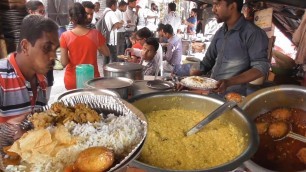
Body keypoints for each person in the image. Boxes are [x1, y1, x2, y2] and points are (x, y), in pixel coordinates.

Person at [177, 0, 270, 96]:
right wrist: (187, 81)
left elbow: (261, 67)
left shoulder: (252, 33)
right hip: (213, 94)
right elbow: (206, 63)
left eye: (217, 4)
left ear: (232, 6)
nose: (213, 9)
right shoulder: (220, 32)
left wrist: (229, 82)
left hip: (234, 99)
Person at [0, 15, 59, 151]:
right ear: (25, 46)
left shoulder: (42, 81)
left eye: (55, 50)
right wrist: (12, 131)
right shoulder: (2, 77)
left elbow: (35, 124)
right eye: (46, 48)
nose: (54, 57)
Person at [60, 3, 110, 90]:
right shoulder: (95, 34)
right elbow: (107, 53)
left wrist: (71, 54)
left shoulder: (65, 36)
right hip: (92, 79)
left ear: (70, 19)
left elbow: (63, 63)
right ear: (84, 16)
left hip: (73, 80)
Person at [26, 0, 54, 102]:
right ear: (31, 12)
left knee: (45, 102)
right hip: (33, 75)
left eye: (44, 12)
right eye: (41, 12)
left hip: (47, 72)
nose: (43, 15)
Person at [97, 0, 124, 65]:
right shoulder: (111, 13)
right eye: (116, 5)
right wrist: (122, 23)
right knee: (113, 59)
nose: (117, 7)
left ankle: (105, 72)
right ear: (113, 5)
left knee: (106, 58)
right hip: (110, 40)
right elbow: (118, 25)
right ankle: (112, 74)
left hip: (105, 37)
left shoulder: (105, 12)